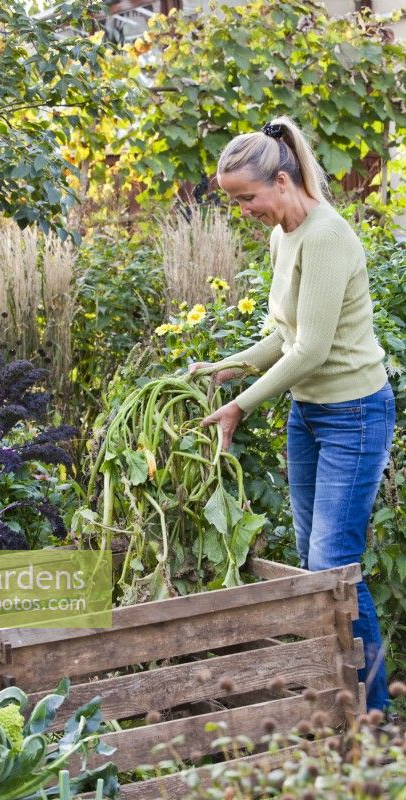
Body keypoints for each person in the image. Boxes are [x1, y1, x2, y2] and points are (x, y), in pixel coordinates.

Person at [188, 116, 395, 712]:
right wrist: (227, 367)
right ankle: (342, 709)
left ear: (281, 180)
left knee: (334, 570)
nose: (244, 211)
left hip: (355, 414)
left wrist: (240, 405)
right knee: (312, 572)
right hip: (309, 416)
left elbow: (314, 350)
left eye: (247, 198)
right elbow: (283, 335)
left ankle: (375, 722)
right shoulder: (284, 236)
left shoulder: (327, 236)